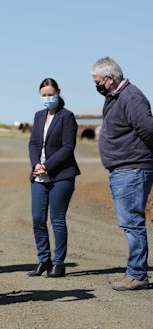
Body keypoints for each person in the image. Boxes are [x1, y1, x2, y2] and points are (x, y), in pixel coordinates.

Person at [92, 57, 153, 290]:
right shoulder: (114, 97)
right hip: (123, 169)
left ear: (109, 79)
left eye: (97, 81)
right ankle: (133, 272)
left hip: (133, 168)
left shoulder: (131, 96)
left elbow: (148, 128)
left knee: (132, 223)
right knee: (129, 223)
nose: (96, 85)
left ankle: (137, 275)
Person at [27, 78, 80, 278]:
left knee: (57, 219)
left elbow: (68, 147)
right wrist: (36, 165)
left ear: (58, 93)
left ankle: (58, 263)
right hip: (38, 175)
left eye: (50, 94)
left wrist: (47, 166)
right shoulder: (39, 116)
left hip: (61, 175)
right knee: (37, 219)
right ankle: (43, 260)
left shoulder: (67, 117)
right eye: (44, 95)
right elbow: (33, 144)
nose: (47, 98)